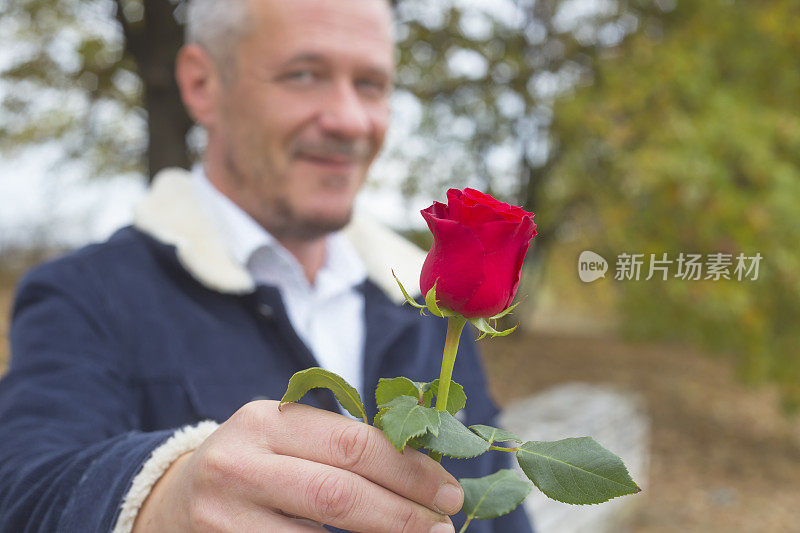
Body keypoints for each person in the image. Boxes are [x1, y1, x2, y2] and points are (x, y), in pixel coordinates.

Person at [0, 0, 534, 531]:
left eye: (371, 84)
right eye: (303, 75)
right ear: (202, 85)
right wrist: (163, 498)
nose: (349, 120)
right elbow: (25, 491)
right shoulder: (87, 294)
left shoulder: (431, 312)